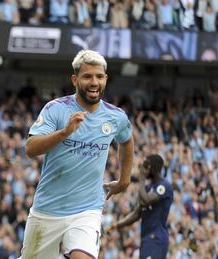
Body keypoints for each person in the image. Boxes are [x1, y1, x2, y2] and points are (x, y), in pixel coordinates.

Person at [19, 50, 134, 259]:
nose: (94, 82)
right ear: (75, 79)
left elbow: (126, 141)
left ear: (105, 79)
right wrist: (65, 132)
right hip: (47, 210)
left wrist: (125, 179)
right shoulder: (56, 109)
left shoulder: (115, 116)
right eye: (87, 76)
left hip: (87, 210)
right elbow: (31, 148)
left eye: (99, 76)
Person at [107, 154, 173, 259]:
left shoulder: (164, 186)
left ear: (153, 168)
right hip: (146, 239)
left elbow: (145, 201)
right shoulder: (147, 188)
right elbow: (136, 214)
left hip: (156, 238)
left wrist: (141, 179)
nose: (142, 168)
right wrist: (117, 225)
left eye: (146, 165)